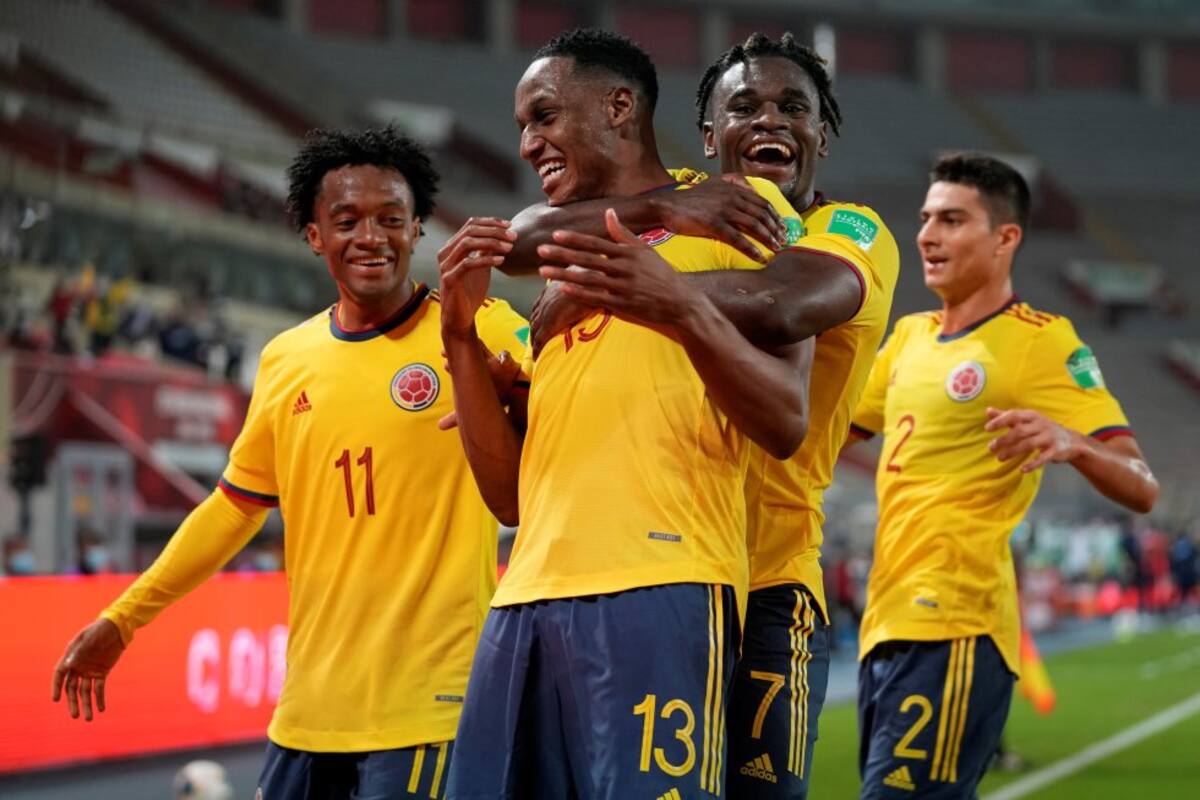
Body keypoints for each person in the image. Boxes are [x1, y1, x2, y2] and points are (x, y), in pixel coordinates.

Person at [50, 126, 529, 800]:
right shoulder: (285, 360)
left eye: (391, 219)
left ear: (418, 228)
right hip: (305, 716)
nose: (371, 237)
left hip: (431, 711)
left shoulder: (482, 326)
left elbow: (571, 423)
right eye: (347, 221)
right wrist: (123, 618)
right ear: (314, 235)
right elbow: (232, 510)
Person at [524, 32, 900, 798]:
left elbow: (781, 301)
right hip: (662, 574)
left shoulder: (851, 231)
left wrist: (613, 287)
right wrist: (657, 206)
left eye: (793, 107)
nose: (770, 121)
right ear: (709, 136)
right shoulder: (680, 205)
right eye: (745, 106)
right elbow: (525, 236)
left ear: (821, 136)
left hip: (771, 581)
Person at [439, 29, 813, 798]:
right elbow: (510, 501)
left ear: (617, 108)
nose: (527, 144)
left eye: (544, 117)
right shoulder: (566, 262)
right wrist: (460, 344)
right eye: (523, 126)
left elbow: (785, 421)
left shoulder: (741, 211)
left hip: (662, 584)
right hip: (523, 599)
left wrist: (677, 304)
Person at [847, 153, 1158, 798]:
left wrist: (1075, 443)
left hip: (958, 625)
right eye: (926, 218)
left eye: (952, 220)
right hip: (886, 623)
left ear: (1005, 238)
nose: (927, 236)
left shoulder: (1042, 342)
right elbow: (819, 437)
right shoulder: (907, 337)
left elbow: (1141, 484)